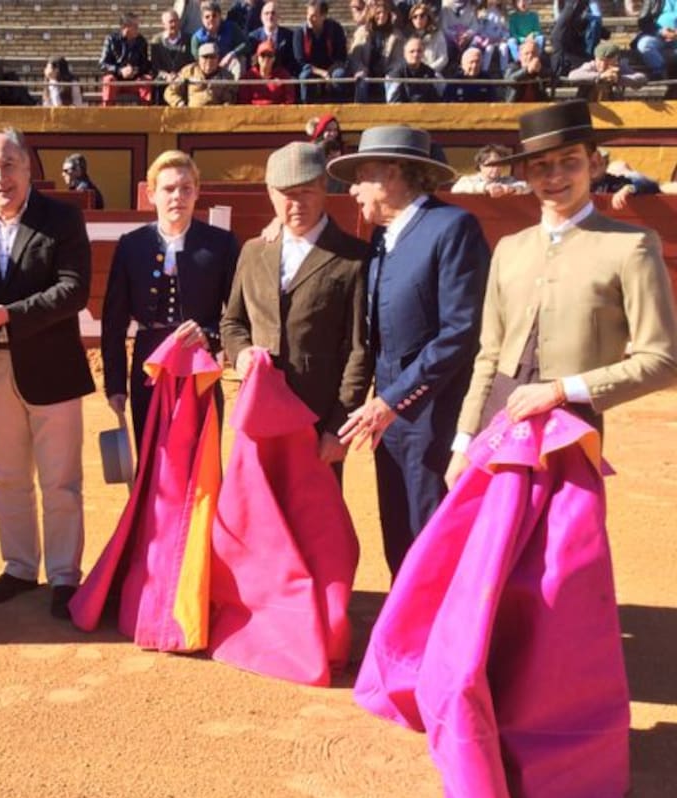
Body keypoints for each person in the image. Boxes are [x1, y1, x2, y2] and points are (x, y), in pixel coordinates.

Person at [446, 99, 677, 483]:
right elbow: (489, 357)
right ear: (524, 172)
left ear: (596, 165)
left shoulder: (631, 245)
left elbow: (662, 361)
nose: (554, 176)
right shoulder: (509, 249)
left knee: (563, 542)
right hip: (496, 426)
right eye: (540, 165)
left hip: (571, 429)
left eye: (569, 160)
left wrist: (561, 390)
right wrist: (463, 441)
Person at [328, 125, 490, 576]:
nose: (354, 188)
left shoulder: (452, 227)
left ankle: (441, 636)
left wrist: (394, 400)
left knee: (430, 525)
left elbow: (459, 331)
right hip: (392, 413)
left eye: (362, 175)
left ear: (394, 174)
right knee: (398, 524)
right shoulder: (384, 237)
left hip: (433, 411)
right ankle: (407, 630)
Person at [0, 129, 94, 618]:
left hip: (51, 363)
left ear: (28, 167)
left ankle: (64, 576)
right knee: (8, 477)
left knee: (61, 481)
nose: (0, 177)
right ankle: (18, 565)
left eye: (9, 165)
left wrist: (11, 312)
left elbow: (73, 291)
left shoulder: (61, 218)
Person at [222, 143, 368, 476]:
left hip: (317, 417)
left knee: (314, 520)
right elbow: (233, 322)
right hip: (259, 410)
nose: (296, 203)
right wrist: (241, 352)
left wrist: (339, 426)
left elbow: (359, 350)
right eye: (286, 193)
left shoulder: (353, 258)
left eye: (306, 191)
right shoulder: (254, 251)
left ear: (324, 188)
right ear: (270, 194)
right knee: (260, 514)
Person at [102, 150, 240, 448]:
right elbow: (114, 321)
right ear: (151, 194)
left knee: (201, 463)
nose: (177, 196)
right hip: (148, 365)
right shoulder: (132, 245)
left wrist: (210, 336)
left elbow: (236, 313)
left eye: (186, 188)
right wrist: (115, 384)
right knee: (152, 457)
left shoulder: (220, 244)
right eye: (168, 189)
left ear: (197, 193)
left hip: (199, 364)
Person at [349, 0, 405, 104]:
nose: (382, 16)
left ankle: (392, 108)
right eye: (378, 13)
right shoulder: (362, 32)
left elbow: (398, 60)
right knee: (361, 78)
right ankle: (360, 107)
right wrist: (360, 68)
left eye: (385, 13)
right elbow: (355, 57)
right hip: (366, 70)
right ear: (373, 14)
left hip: (386, 71)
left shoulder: (396, 35)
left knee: (393, 78)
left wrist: (391, 71)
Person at [294, 1, 350, 102]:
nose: (309, 19)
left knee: (339, 75)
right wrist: (322, 73)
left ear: (323, 16)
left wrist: (329, 72)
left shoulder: (335, 29)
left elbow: (341, 56)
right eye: (307, 14)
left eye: (314, 16)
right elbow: (300, 61)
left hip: (332, 67)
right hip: (311, 68)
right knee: (305, 76)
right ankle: (307, 107)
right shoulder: (300, 32)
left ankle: (339, 107)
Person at [100, 12, 154, 105]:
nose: (138, 29)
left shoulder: (141, 41)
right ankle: (107, 115)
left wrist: (135, 70)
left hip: (134, 80)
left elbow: (145, 64)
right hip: (116, 79)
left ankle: (146, 115)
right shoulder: (111, 39)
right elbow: (102, 64)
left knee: (147, 80)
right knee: (108, 80)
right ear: (126, 27)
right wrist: (120, 71)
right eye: (135, 26)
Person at [568, 41, 648, 101]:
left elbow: (641, 78)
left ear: (616, 59)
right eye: (600, 60)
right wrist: (600, 77)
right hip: (587, 108)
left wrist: (618, 78)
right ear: (595, 58)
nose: (602, 65)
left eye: (608, 61)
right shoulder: (591, 66)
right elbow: (572, 76)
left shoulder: (620, 66)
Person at [165, 42, 238, 105]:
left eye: (212, 57)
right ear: (198, 58)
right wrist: (179, 104)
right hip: (191, 115)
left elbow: (230, 99)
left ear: (218, 58)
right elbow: (170, 92)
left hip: (216, 116)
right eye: (205, 57)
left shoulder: (226, 76)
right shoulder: (189, 71)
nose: (209, 61)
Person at [192, 1, 250, 77]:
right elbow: (197, 59)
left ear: (220, 16)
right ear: (202, 20)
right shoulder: (197, 37)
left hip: (228, 64)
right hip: (208, 67)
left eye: (214, 16)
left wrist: (231, 54)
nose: (211, 19)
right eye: (207, 17)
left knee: (240, 60)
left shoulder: (231, 28)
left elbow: (246, 45)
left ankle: (235, 87)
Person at [151, 8, 195, 102]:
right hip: (163, 80)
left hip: (183, 78)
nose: (174, 24)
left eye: (176, 21)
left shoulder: (189, 39)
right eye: (170, 22)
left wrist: (180, 75)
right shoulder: (156, 41)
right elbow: (155, 65)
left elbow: (191, 62)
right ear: (164, 24)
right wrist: (167, 76)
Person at [450, 143, 529, 195]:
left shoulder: (508, 181)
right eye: (491, 164)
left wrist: (513, 189)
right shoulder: (468, 180)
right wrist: (486, 187)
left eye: (499, 164)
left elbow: (528, 187)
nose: (496, 168)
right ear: (481, 165)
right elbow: (455, 189)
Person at [238, 38, 297, 104]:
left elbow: (289, 99)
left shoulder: (284, 75)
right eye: (263, 55)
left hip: (278, 112)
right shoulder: (248, 77)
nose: (266, 59)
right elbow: (243, 101)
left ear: (274, 58)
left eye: (270, 55)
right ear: (257, 58)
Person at [386, 36, 442, 102]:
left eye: (419, 51)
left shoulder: (430, 73)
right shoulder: (395, 74)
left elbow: (438, 100)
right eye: (412, 51)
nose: (416, 55)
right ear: (405, 54)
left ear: (423, 53)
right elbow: (393, 102)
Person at [251, 1, 298, 75]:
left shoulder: (289, 36)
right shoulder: (253, 37)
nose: (270, 16)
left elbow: (293, 61)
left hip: (283, 78)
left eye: (273, 13)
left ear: (279, 16)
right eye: (266, 13)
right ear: (261, 17)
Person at [504, 34, 551, 100]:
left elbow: (553, 77)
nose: (530, 56)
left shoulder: (541, 65)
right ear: (520, 56)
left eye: (533, 53)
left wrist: (540, 70)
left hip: (538, 105)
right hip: (516, 105)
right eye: (526, 53)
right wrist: (527, 70)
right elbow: (509, 80)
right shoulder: (513, 66)